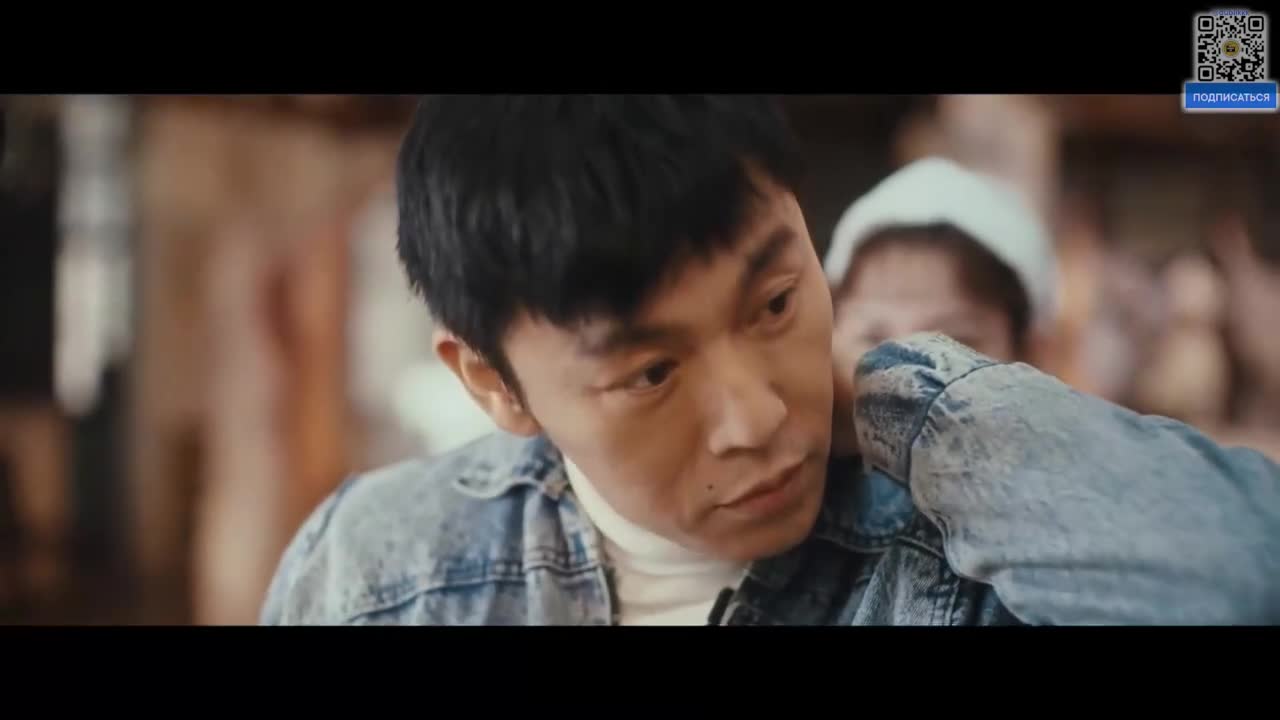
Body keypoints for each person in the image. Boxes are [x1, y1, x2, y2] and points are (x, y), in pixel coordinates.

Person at [261, 95, 1280, 626]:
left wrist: (899, 395)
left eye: (776, 302)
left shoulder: (971, 559)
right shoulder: (384, 576)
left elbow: (1243, 579)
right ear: (491, 381)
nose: (756, 415)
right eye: (651, 373)